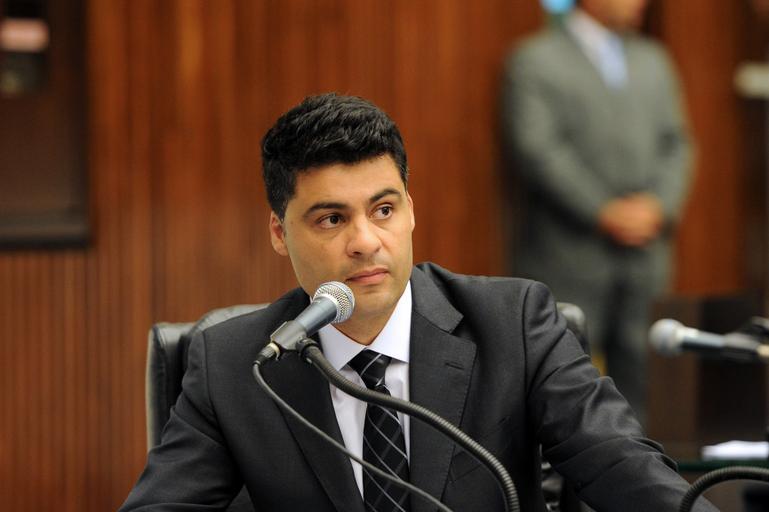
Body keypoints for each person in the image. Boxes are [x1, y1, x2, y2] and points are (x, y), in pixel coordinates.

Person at [120, 93, 714, 511]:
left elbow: (621, 466)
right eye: (331, 219)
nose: (365, 242)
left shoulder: (514, 324)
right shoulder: (235, 364)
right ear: (279, 233)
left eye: (383, 209)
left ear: (410, 211)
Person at [499, 0, 693, 426]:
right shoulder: (535, 59)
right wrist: (603, 211)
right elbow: (538, 149)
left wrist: (658, 207)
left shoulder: (654, 59)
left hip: (647, 256)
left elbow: (677, 144)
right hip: (570, 254)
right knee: (564, 387)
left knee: (647, 392)